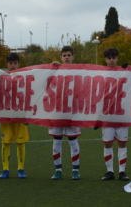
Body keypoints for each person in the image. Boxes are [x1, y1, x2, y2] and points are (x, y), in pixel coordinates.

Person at [50, 46, 81, 180]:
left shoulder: (80, 71)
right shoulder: (55, 70)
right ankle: (58, 170)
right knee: (57, 141)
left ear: (73, 56)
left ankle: (75, 170)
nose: (66, 57)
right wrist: (53, 67)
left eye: (69, 55)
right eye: (64, 55)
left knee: (73, 141)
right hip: (57, 111)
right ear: (61, 57)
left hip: (72, 111)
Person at [100, 47, 129, 181]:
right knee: (108, 144)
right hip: (107, 114)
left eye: (113, 57)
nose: (111, 60)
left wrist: (130, 68)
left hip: (122, 114)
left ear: (117, 58)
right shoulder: (101, 73)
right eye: (109, 58)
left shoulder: (124, 72)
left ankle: (122, 172)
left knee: (122, 144)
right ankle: (109, 171)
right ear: (105, 60)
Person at [0, 53, 29, 179]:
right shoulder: (2, 77)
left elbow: (29, 95)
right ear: (7, 65)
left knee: (20, 142)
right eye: (10, 63)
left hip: (20, 115)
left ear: (19, 64)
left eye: (15, 63)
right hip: (5, 114)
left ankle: (20, 168)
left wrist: (27, 115)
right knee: (6, 142)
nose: (13, 65)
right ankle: (5, 169)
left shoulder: (25, 77)